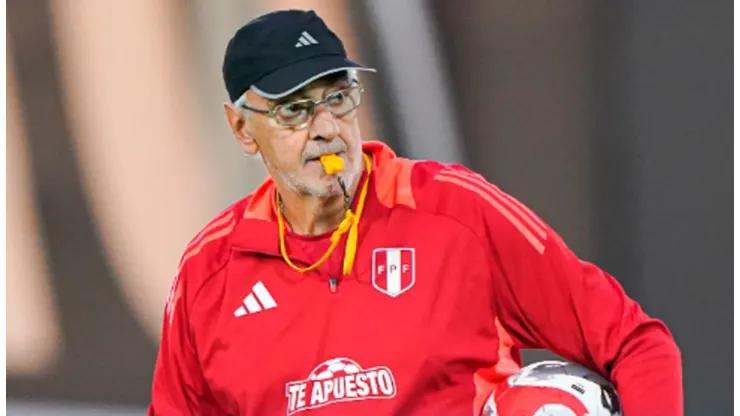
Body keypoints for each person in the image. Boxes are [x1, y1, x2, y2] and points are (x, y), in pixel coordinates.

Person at [148, 9, 682, 416]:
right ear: (242, 128)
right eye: (294, 109)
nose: (327, 128)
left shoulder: (454, 210)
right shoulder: (209, 271)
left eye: (338, 98)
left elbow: (637, 344)